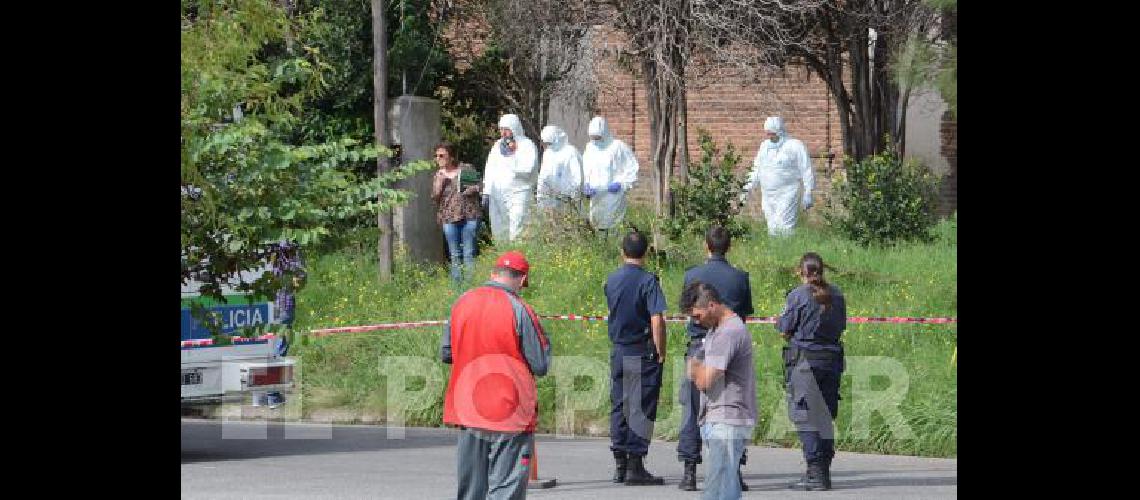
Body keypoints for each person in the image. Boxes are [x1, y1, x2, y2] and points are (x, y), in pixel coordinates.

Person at [440, 250, 552, 500]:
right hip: (509, 412)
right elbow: (541, 364)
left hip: (468, 409)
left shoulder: (462, 302)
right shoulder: (520, 309)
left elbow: (446, 352)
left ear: (493, 274)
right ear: (522, 280)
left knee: (471, 491)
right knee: (506, 489)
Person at [676, 226, 754, 491]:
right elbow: (745, 311)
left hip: (701, 344)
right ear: (728, 247)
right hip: (731, 346)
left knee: (693, 409)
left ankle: (689, 469)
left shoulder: (692, 275)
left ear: (706, 246)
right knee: (732, 402)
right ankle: (735, 468)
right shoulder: (739, 278)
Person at [776, 252, 847, 491]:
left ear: (801, 272)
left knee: (805, 416)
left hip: (805, 362)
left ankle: (816, 473)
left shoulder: (798, 296)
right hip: (831, 361)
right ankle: (822, 471)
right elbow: (842, 326)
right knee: (825, 416)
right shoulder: (837, 294)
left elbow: (784, 330)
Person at [603, 230, 667, 486]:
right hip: (641, 349)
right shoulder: (648, 281)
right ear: (647, 252)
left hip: (619, 349)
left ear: (622, 252)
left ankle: (619, 461)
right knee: (640, 406)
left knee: (620, 404)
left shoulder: (612, 279)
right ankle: (635, 464)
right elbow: (657, 319)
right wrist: (661, 349)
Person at [740, 116, 815, 236]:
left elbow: (806, 169)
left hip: (787, 193)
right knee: (772, 227)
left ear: (780, 132)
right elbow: (756, 170)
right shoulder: (765, 147)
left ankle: (788, 251)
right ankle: (776, 252)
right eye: (768, 134)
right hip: (768, 195)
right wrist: (746, 190)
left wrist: (808, 192)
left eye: (773, 134)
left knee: (785, 227)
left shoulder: (794, 146)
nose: (770, 137)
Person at [431, 142, 483, 285]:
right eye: (436, 156)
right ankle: (457, 289)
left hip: (470, 216)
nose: (438, 158)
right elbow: (435, 198)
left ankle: (470, 286)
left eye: (441, 155)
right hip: (449, 218)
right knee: (454, 255)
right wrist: (439, 184)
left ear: (451, 156)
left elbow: (480, 185)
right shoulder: (439, 175)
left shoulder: (466, 169)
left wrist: (474, 189)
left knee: (469, 254)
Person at [484, 114, 539, 243]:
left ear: (514, 128)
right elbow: (490, 168)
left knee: (518, 228)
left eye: (506, 129)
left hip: (519, 193)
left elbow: (527, 169)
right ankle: (503, 260)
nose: (503, 133)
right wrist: (487, 191)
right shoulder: (497, 146)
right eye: (501, 129)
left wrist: (513, 154)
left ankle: (518, 258)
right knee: (499, 230)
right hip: (498, 195)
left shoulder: (526, 145)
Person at [581, 116, 638, 235]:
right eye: (593, 137)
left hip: (613, 195)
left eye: (598, 137)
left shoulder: (617, 147)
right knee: (597, 225)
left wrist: (622, 183)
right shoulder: (590, 148)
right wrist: (586, 184)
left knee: (614, 227)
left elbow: (632, 167)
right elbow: (586, 168)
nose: (595, 140)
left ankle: (615, 249)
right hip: (596, 196)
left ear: (605, 133)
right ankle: (601, 249)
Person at [267, 239, 305, 409]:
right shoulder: (292, 252)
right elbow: (301, 277)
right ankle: (272, 394)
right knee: (280, 348)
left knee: (278, 345)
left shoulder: (274, 251)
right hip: (286, 305)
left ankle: (273, 392)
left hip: (275, 305)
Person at [535, 125, 584, 215]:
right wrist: (541, 197)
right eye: (546, 143)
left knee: (569, 225)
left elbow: (577, 178)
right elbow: (543, 177)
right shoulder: (548, 154)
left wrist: (572, 195)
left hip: (568, 200)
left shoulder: (571, 152)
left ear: (557, 139)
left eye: (549, 143)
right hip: (551, 201)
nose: (547, 146)